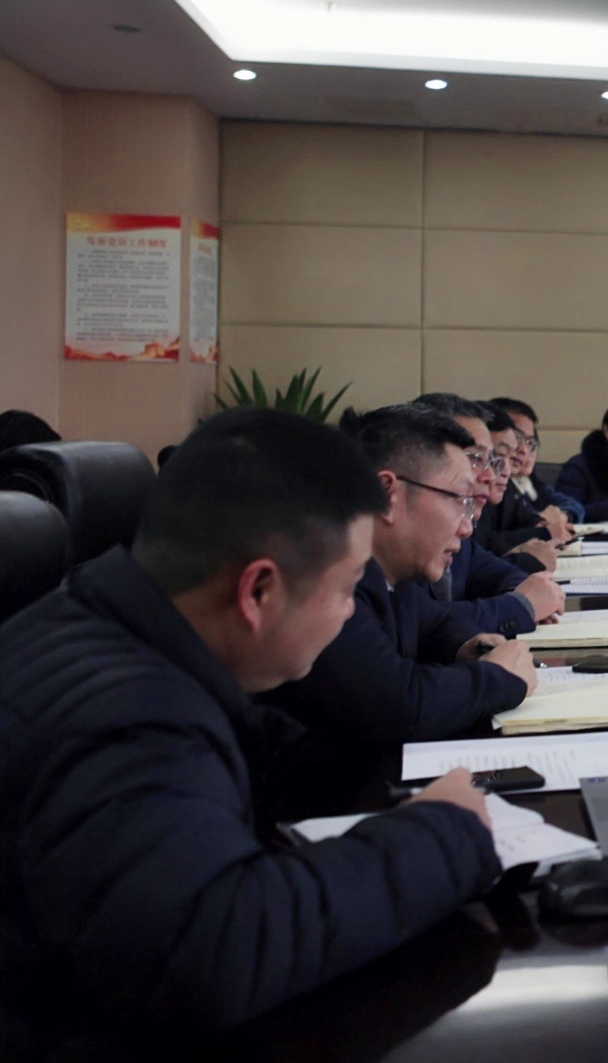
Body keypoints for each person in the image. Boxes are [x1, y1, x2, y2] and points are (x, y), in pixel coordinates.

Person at [0, 408, 499, 1040]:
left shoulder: (90, 620)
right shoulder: (131, 717)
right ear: (258, 591)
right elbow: (215, 952)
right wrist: (444, 834)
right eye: (347, 589)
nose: (351, 613)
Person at [264, 403, 537, 743]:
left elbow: (434, 621)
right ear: (387, 494)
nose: (467, 527)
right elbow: (397, 706)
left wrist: (470, 645)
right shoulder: (322, 572)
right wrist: (498, 677)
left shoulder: (393, 570)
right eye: (459, 500)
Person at [411, 395, 564, 637]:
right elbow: (422, 622)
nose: (492, 475)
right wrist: (520, 606)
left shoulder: (461, 534)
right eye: (475, 459)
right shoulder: (380, 549)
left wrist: (532, 595)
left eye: (493, 460)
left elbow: (501, 575)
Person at [490, 395, 583, 523]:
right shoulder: (491, 482)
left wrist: (564, 516)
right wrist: (539, 522)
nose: (524, 450)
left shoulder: (530, 482)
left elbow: (575, 506)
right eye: (517, 436)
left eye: (530, 442)